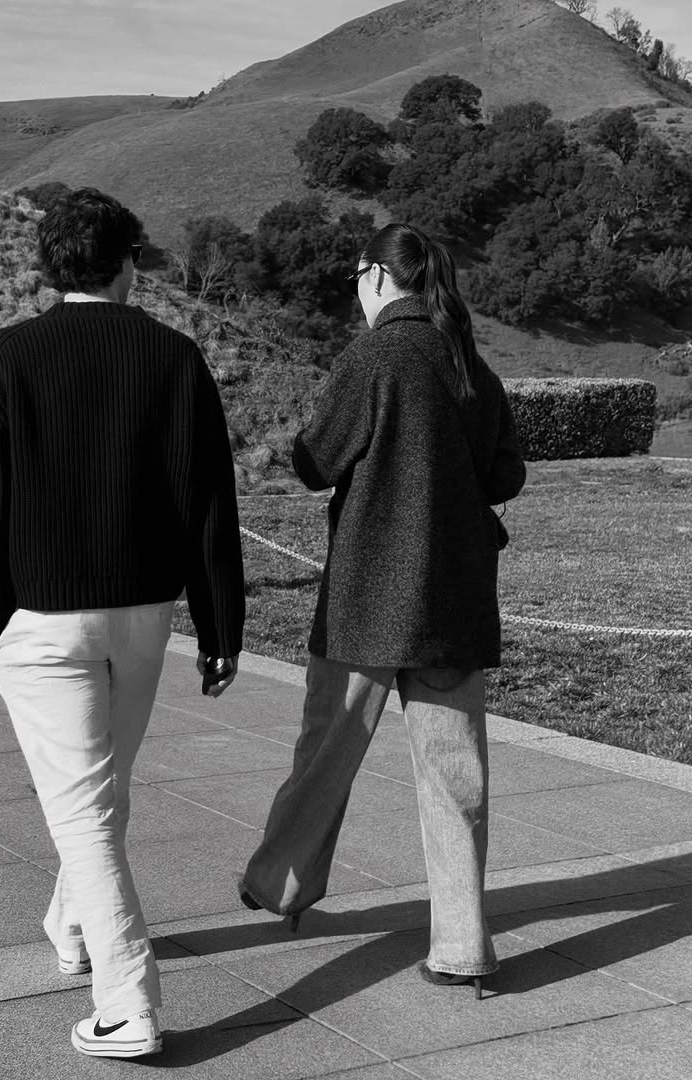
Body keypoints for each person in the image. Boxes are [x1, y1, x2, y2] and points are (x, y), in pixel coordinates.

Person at [0, 188, 244, 1059]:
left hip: (44, 618)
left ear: (52, 265)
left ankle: (128, 1005)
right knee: (101, 793)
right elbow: (209, 505)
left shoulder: (9, 355)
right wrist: (220, 626)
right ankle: (72, 925)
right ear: (129, 261)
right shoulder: (174, 356)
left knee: (84, 808)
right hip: (145, 614)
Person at [238, 221, 525, 995]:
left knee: (325, 751)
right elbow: (506, 474)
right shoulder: (469, 363)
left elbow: (315, 463)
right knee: (455, 773)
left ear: (374, 276)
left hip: (367, 594)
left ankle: (278, 884)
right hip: (452, 599)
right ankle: (464, 946)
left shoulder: (372, 357)